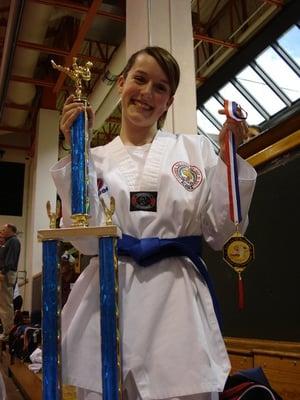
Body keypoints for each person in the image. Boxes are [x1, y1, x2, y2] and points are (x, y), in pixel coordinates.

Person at [52, 46, 257, 400]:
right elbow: (86, 241)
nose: (147, 93)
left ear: (169, 101)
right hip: (109, 293)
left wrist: (228, 158)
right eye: (140, 79)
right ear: (121, 84)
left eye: (160, 88)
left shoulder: (196, 151)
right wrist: (77, 150)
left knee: (183, 389)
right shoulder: (94, 159)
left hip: (176, 300)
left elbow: (219, 232)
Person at [0, 224, 21, 341]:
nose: (2, 231)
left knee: (6, 304)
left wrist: (3, 272)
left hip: (6, 274)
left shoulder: (13, 241)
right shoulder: (8, 242)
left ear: (11, 230)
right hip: (5, 273)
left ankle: (8, 332)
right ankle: (6, 330)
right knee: (3, 304)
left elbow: (10, 260)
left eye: (4, 229)